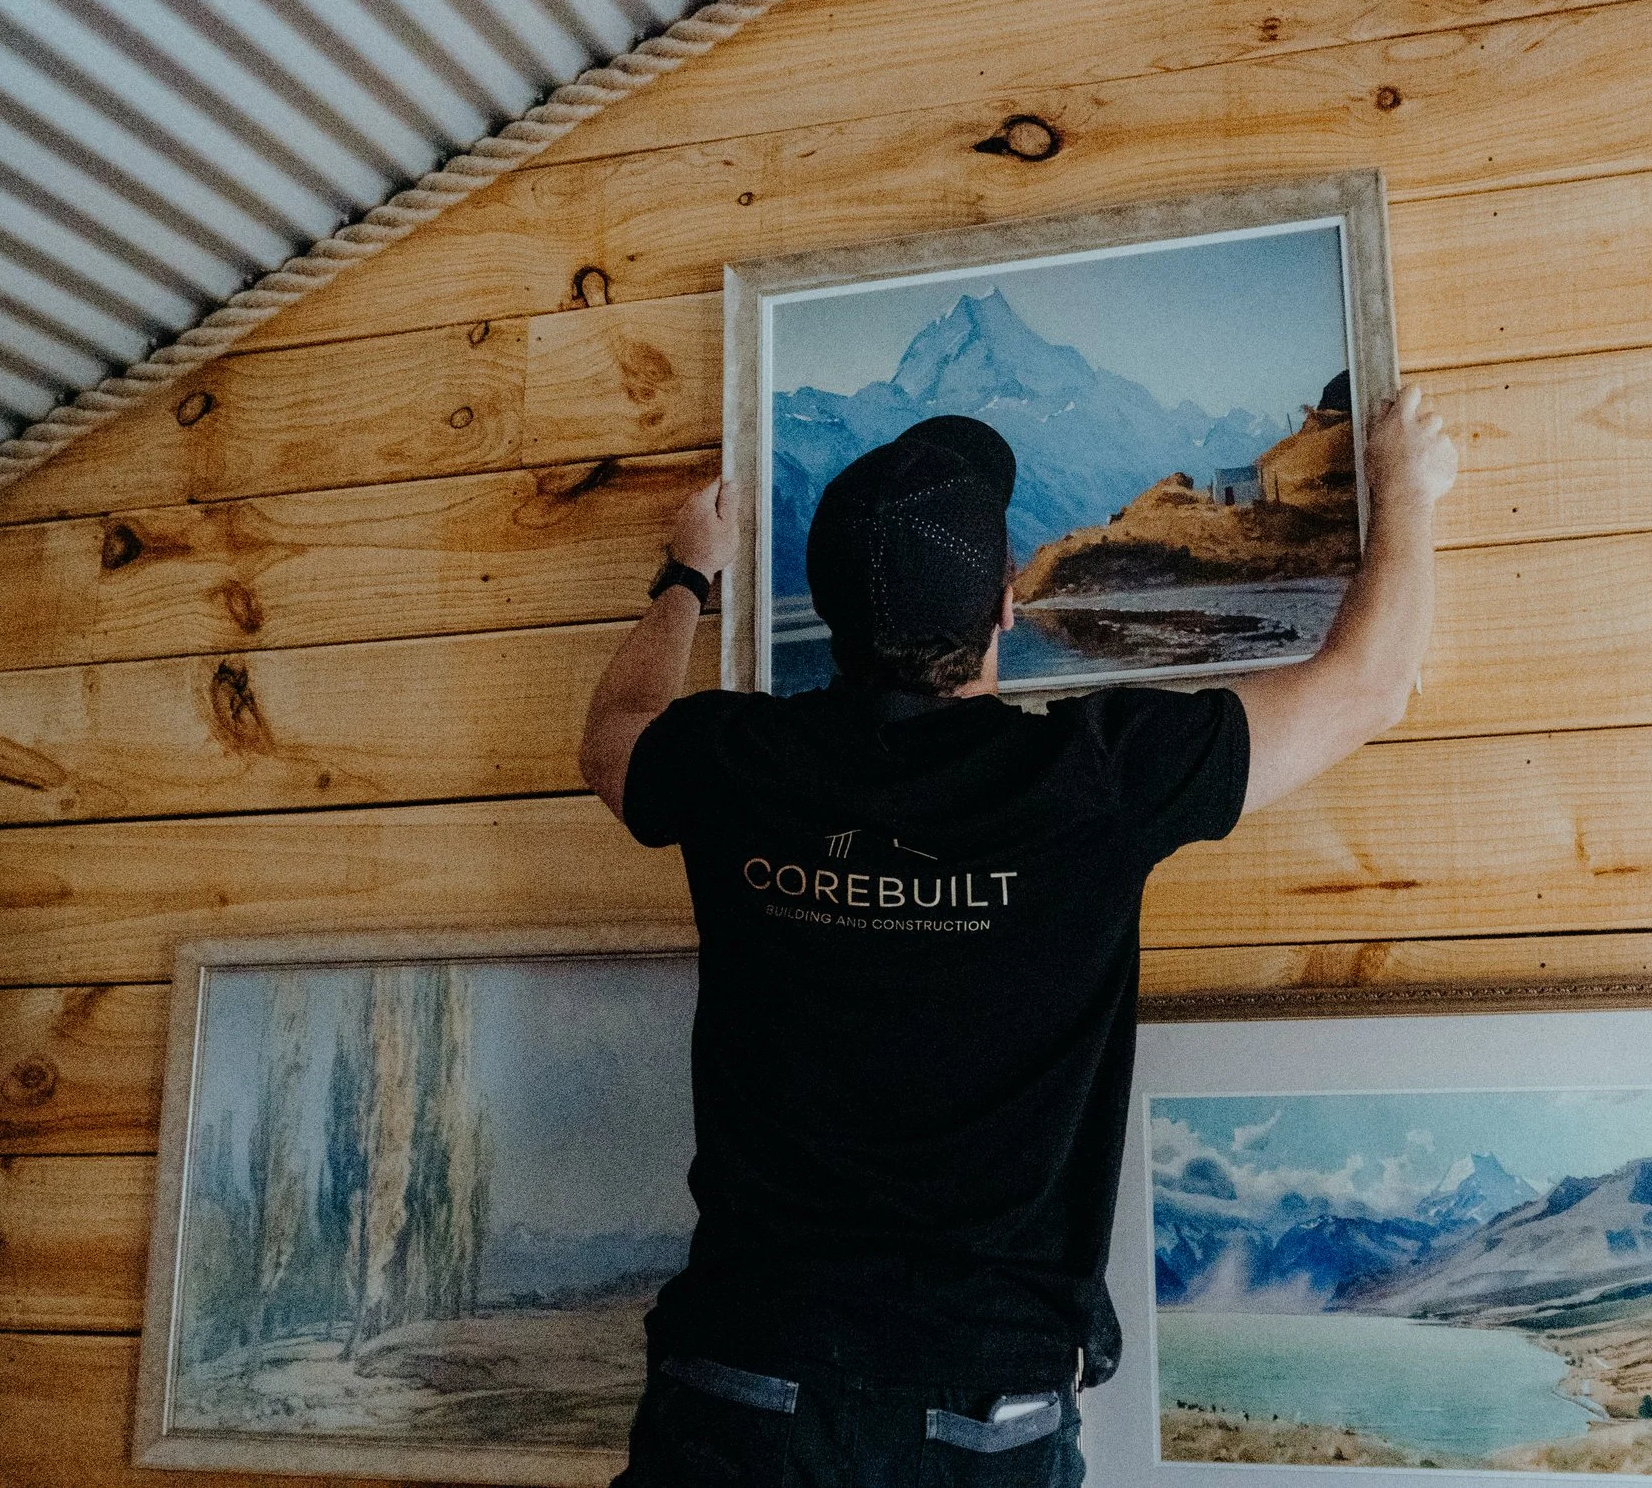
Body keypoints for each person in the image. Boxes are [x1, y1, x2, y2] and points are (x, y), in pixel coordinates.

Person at [580, 387, 1458, 1487]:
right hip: (979, 1406)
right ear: (1004, 606)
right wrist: (1406, 489)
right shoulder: (1089, 778)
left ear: (836, 623)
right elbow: (1366, 685)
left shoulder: (737, 760)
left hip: (739, 1375)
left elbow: (611, 736)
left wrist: (686, 576)